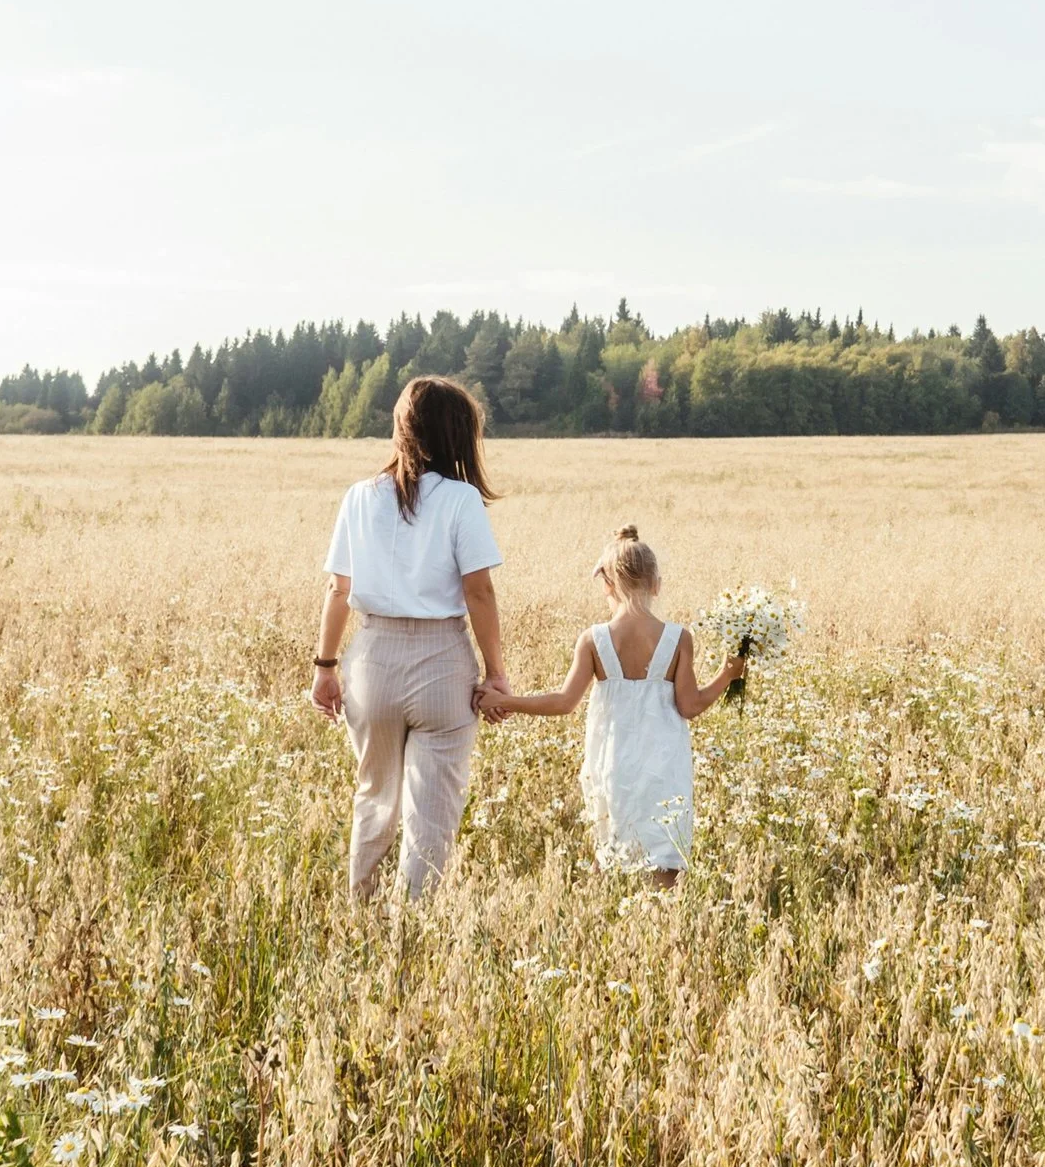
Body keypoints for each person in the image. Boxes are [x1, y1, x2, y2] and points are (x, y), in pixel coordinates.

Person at [311, 377, 514, 898]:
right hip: (442, 659)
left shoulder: (359, 497)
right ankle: (413, 931)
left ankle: (362, 916)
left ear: (402, 429)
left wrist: (325, 667)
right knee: (433, 813)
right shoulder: (460, 500)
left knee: (375, 795)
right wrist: (496, 673)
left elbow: (339, 590)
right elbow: (480, 594)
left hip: (371, 658)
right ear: (459, 435)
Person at [485, 526, 740, 887]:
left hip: (613, 759)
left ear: (607, 585)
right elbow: (690, 705)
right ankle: (664, 926)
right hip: (664, 764)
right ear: (657, 584)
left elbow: (563, 702)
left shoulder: (594, 639)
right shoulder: (679, 638)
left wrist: (505, 700)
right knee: (664, 851)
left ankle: (610, 916)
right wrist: (727, 675)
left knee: (611, 843)